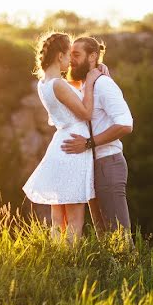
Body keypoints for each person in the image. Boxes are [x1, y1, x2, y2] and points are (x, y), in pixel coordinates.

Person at [22, 32, 103, 243]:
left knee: (59, 215)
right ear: (59, 57)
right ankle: (72, 262)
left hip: (61, 145)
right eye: (69, 55)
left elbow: (66, 101)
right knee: (75, 215)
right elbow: (85, 113)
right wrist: (92, 81)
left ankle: (58, 255)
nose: (71, 60)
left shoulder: (44, 83)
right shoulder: (59, 84)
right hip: (73, 147)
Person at [61, 36, 134, 237]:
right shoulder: (87, 86)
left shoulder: (103, 85)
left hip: (108, 164)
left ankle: (131, 269)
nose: (71, 59)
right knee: (104, 238)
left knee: (119, 237)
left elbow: (125, 124)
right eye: (69, 55)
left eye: (76, 54)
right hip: (92, 167)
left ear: (92, 56)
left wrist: (88, 143)